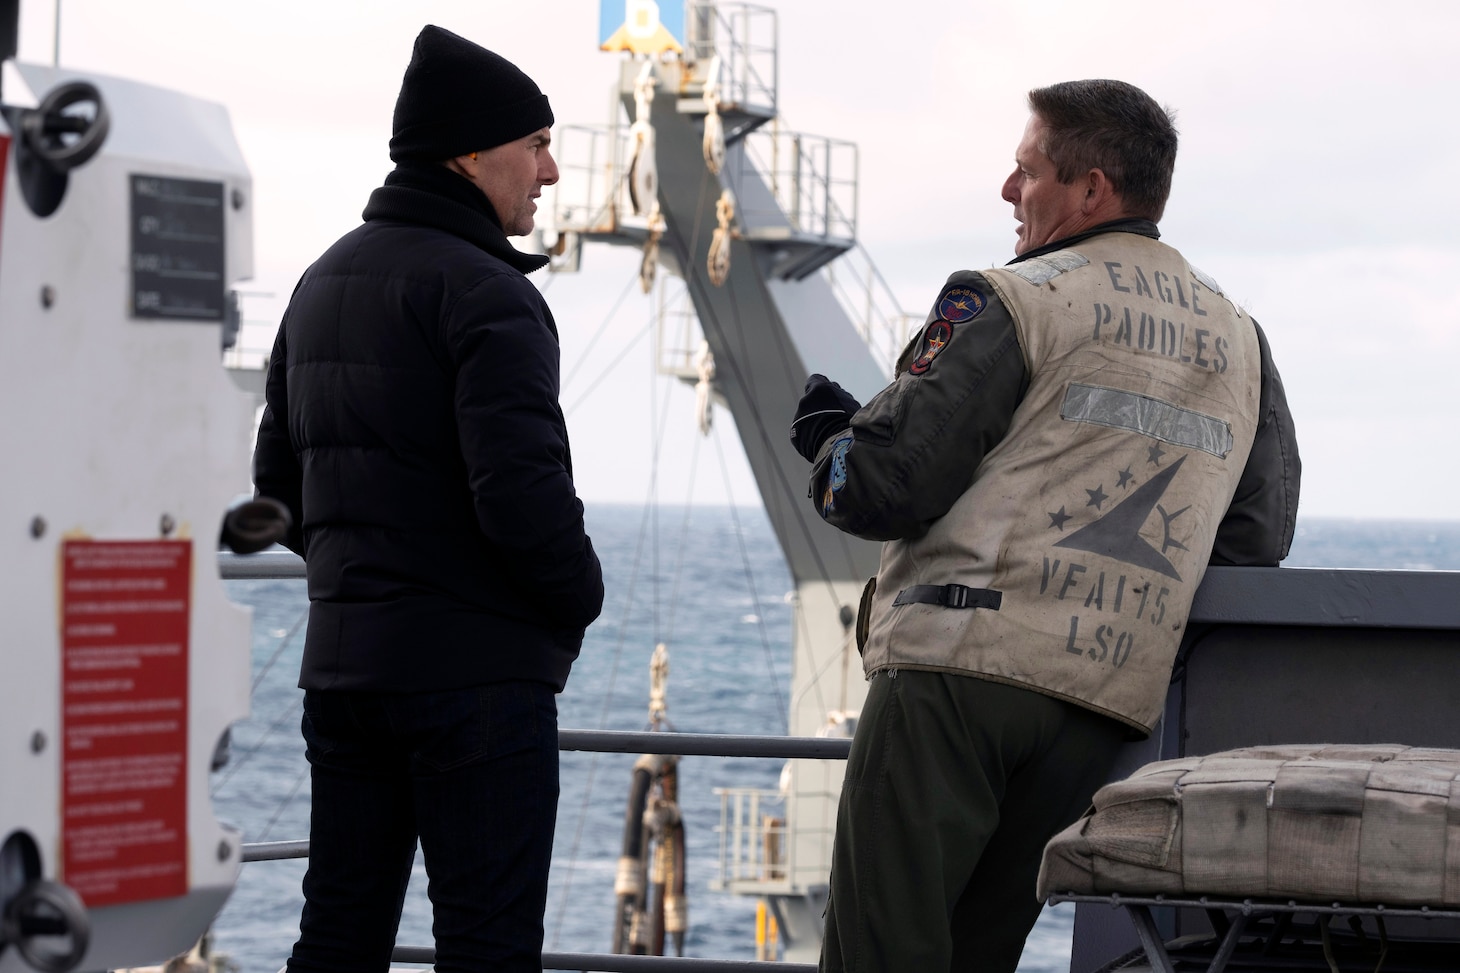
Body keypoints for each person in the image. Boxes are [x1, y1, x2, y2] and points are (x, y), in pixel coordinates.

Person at [789, 79, 1300, 972]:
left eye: (1026, 171)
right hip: (1100, 704)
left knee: (883, 951)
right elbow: (1256, 537)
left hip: (954, 679)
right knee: (980, 952)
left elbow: (880, 487)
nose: (1007, 191)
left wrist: (832, 440)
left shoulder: (1013, 298)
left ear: (1091, 189)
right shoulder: (1240, 338)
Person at [252, 25, 604, 973]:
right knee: (486, 945)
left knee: (337, 934)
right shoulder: (490, 292)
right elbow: (521, 499)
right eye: (535, 144)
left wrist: (366, 584)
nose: (552, 171)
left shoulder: (320, 282)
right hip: (476, 689)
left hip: (347, 680)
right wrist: (579, 599)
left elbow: (276, 487)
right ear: (469, 153)